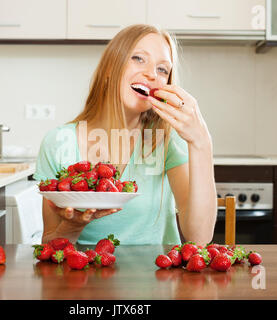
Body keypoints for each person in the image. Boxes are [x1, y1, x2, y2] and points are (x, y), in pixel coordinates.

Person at [33, 24, 217, 246]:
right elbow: (49, 246)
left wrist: (202, 142)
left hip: (155, 277)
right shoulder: (58, 143)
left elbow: (200, 238)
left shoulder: (166, 140)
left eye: (162, 70)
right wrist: (72, 226)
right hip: (84, 279)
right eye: (139, 58)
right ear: (111, 68)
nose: (151, 73)